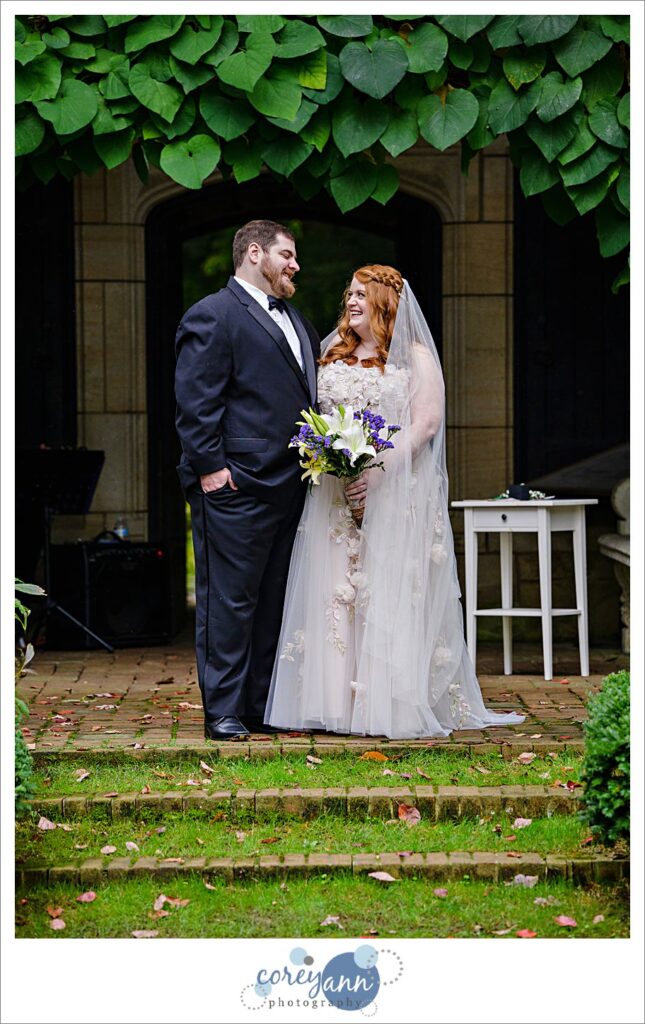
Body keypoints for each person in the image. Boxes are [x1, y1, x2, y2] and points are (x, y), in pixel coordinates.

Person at [265, 265, 524, 738]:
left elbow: (425, 424)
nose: (352, 301)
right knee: (334, 592)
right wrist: (334, 464)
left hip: (394, 490)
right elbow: (315, 422)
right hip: (334, 498)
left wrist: (376, 473)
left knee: (385, 590)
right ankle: (338, 706)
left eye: (363, 294)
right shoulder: (329, 354)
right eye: (349, 293)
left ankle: (387, 703)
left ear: (386, 302)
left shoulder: (415, 357)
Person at [175, 220, 320, 739]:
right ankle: (223, 712)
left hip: (288, 485)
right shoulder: (212, 315)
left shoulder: (294, 317)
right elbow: (196, 402)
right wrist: (212, 470)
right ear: (254, 253)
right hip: (234, 487)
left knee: (272, 602)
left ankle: (259, 705)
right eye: (287, 255)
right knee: (229, 602)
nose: (294, 265)